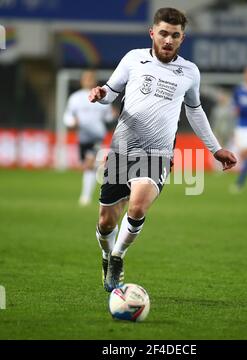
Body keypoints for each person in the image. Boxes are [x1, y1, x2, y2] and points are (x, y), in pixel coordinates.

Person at [88, 8, 237, 292]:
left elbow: (195, 111)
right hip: (122, 150)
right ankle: (107, 255)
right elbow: (110, 92)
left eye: (175, 35)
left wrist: (215, 149)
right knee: (106, 221)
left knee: (138, 205)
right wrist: (100, 94)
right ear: (152, 33)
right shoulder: (133, 59)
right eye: (164, 33)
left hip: (158, 153)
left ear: (182, 38)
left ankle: (118, 257)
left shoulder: (190, 72)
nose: (169, 40)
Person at [63, 70, 116, 206]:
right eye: (86, 78)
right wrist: (71, 122)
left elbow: (108, 117)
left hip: (98, 136)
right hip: (83, 137)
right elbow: (68, 116)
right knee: (87, 166)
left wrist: (113, 115)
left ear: (95, 81)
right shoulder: (75, 98)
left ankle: (85, 198)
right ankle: (107, 174)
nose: (88, 80)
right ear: (82, 80)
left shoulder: (101, 96)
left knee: (89, 165)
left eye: (91, 78)